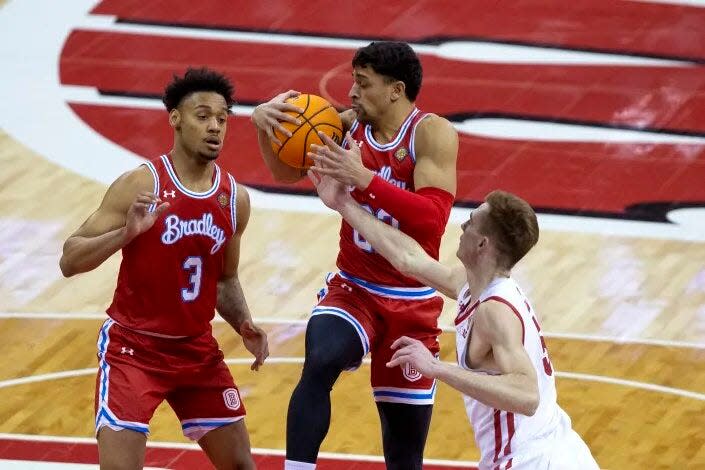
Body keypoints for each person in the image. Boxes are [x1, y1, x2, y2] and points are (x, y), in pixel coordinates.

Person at [251, 41, 458, 469]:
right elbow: (285, 172)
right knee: (321, 358)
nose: (351, 93)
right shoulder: (344, 126)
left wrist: (364, 179)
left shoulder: (431, 134)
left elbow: (432, 220)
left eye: (362, 84)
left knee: (404, 455)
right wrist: (261, 125)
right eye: (352, 81)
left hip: (412, 302)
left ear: (395, 90)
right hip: (355, 289)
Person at [310, 169, 599, 470]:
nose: (462, 225)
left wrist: (435, 368)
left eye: (471, 222)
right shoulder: (473, 285)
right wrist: (344, 204)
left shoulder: (494, 310)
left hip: (531, 461)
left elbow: (527, 395)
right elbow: (409, 259)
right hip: (557, 450)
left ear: (482, 245)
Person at [59, 67, 269, 470]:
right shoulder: (142, 184)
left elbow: (225, 279)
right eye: (202, 116)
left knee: (242, 466)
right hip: (134, 349)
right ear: (175, 118)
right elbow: (70, 258)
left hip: (196, 350)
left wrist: (244, 322)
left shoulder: (233, 199)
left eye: (223, 119)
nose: (215, 127)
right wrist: (126, 234)